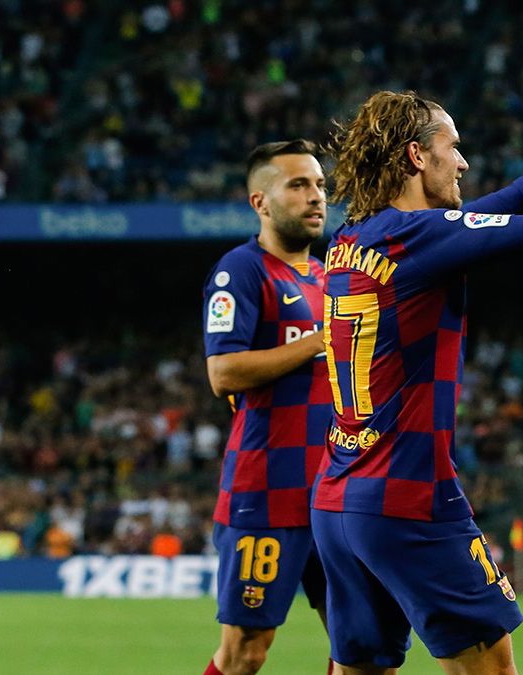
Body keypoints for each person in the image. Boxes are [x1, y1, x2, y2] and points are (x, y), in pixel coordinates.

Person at [311, 83, 523, 674]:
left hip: (338, 501)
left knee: (360, 669)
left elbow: (465, 223)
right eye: (452, 146)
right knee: (490, 668)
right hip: (408, 497)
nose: (463, 161)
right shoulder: (419, 237)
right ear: (416, 155)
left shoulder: (350, 241)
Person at [201, 140, 333, 675]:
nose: (315, 197)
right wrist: (319, 340)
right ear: (260, 201)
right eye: (298, 185)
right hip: (267, 493)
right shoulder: (241, 271)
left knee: (365, 647)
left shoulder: (327, 278)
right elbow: (223, 373)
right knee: (246, 653)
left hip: (335, 494)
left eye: (320, 185)